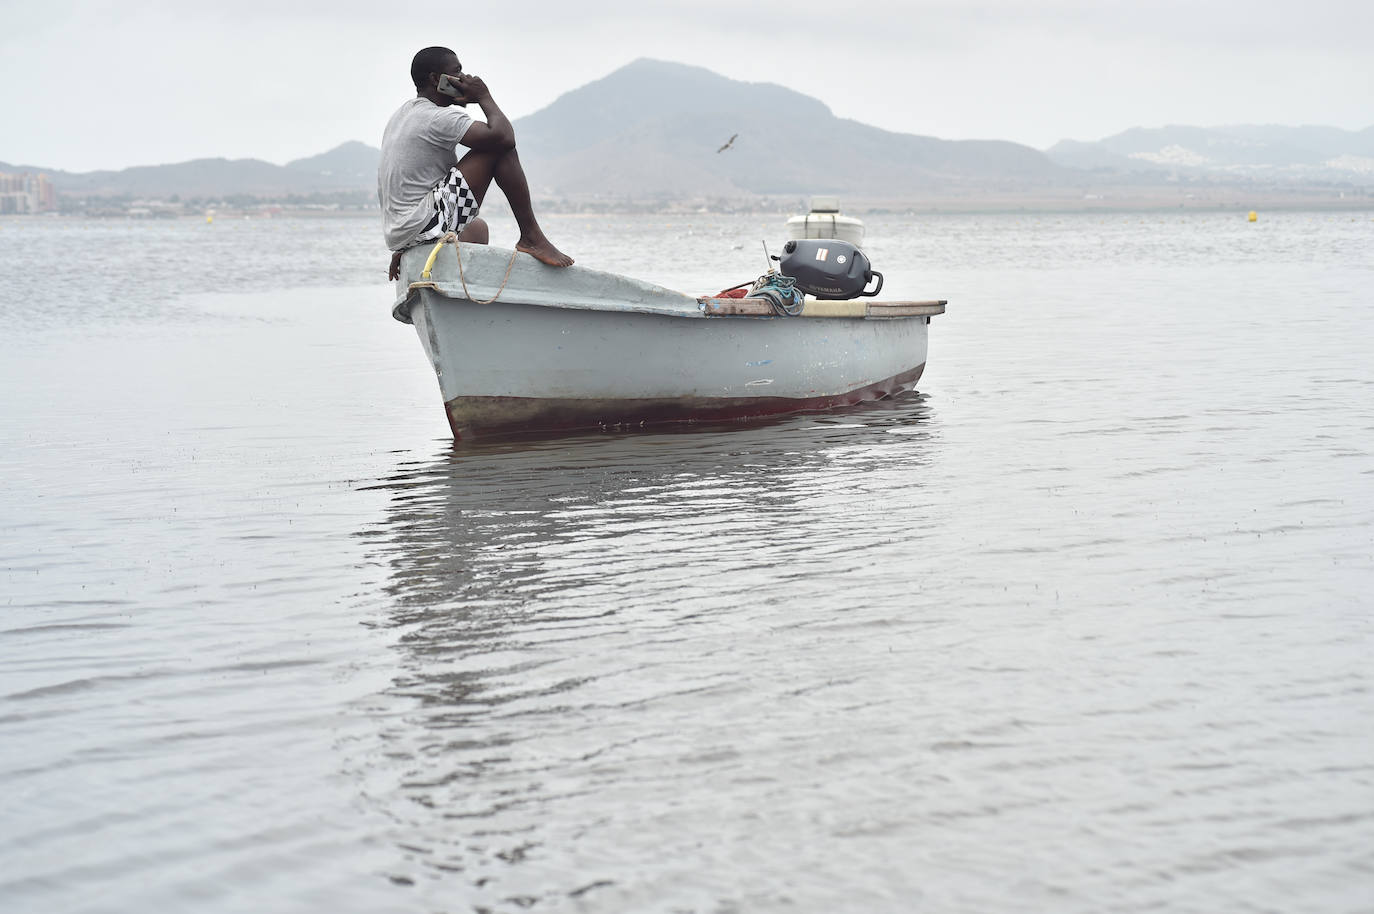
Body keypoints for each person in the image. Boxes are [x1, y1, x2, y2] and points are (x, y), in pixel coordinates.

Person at [379, 46, 572, 280]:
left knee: (477, 228)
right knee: (500, 148)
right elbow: (504, 136)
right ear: (435, 79)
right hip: (419, 223)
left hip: (404, 230)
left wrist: (408, 243)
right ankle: (531, 237)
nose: (464, 78)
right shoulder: (437, 117)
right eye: (457, 72)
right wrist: (483, 96)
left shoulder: (404, 114)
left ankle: (464, 289)